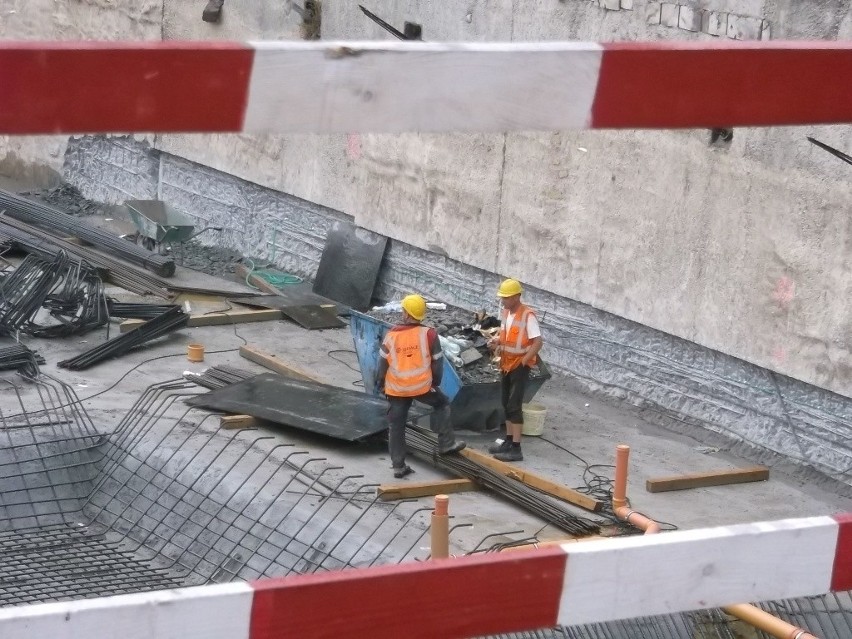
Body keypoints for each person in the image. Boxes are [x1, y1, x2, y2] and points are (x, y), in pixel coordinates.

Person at [377, 294, 466, 478]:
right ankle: (446, 444)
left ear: (407, 314)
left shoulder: (391, 335)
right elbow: (437, 363)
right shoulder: (429, 334)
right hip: (421, 387)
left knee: (396, 425)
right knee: (442, 403)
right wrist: (435, 382)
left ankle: (398, 466)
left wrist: (380, 383)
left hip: (397, 389)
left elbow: (382, 364)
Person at [487, 279, 543, 462]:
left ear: (517, 297)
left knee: (514, 405)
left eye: (507, 298)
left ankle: (516, 448)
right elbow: (507, 337)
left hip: (519, 366)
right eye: (502, 297)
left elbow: (537, 342)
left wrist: (525, 361)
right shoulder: (506, 313)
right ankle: (509, 440)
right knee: (506, 402)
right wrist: (497, 341)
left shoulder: (528, 316)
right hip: (506, 363)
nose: (503, 301)